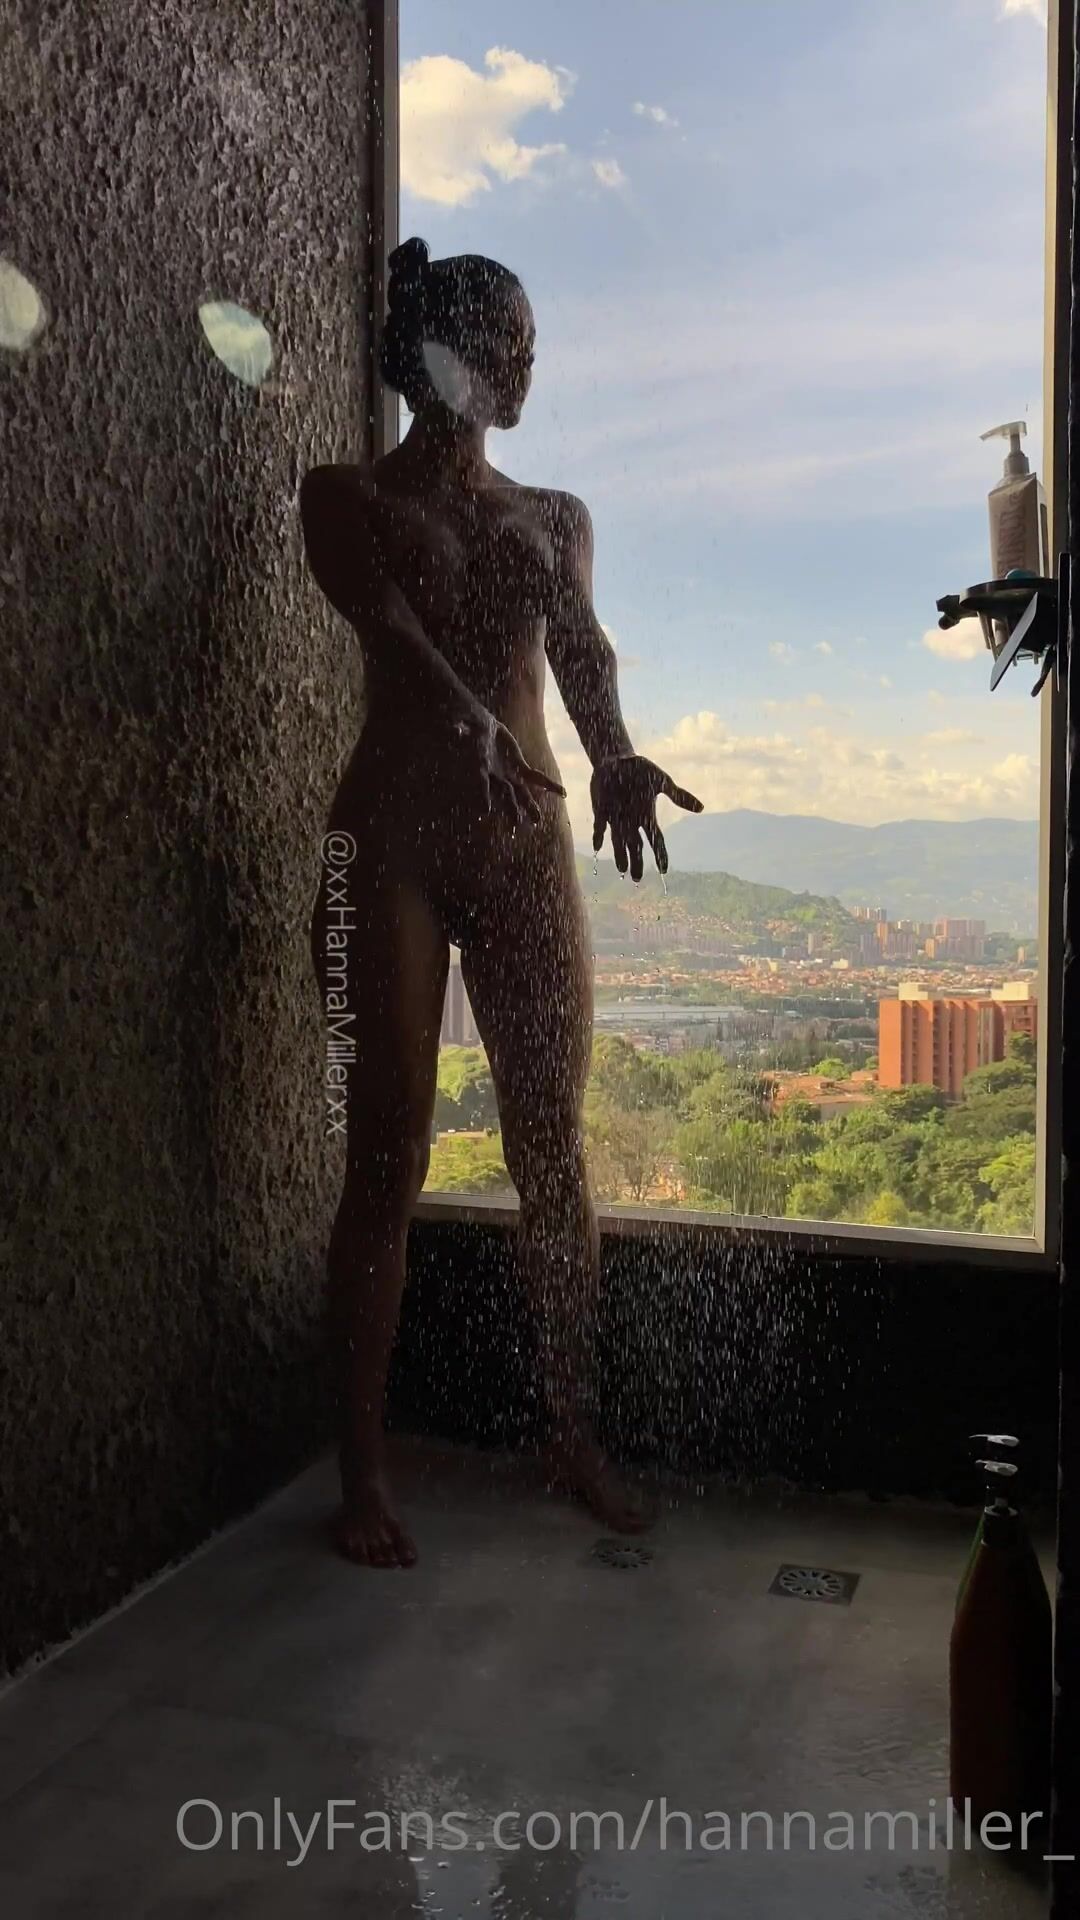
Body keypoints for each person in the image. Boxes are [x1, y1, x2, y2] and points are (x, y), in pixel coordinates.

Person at [301, 237, 703, 1567]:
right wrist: (468, 712)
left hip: (522, 842)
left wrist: (613, 753)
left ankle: (569, 1433)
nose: (528, 363)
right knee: (386, 1159)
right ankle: (361, 1473)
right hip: (387, 850)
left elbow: (582, 651)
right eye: (507, 341)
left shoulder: (556, 514)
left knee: (552, 1151)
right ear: (441, 354)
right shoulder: (345, 496)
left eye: (533, 342)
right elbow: (389, 631)